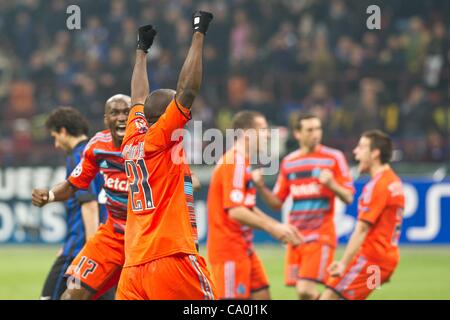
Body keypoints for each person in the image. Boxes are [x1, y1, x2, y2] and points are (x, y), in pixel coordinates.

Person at [116, 11, 216, 300]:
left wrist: (141, 50)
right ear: (164, 117)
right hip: (171, 257)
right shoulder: (162, 137)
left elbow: (137, 97)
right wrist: (199, 33)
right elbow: (188, 90)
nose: (185, 116)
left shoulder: (132, 138)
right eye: (178, 112)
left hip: (133, 266)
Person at [32, 95, 131, 300]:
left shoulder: (150, 144)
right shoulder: (96, 147)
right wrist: (50, 195)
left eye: (126, 112)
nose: (56, 145)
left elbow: (90, 204)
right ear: (106, 119)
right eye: (115, 112)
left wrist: (88, 243)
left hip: (133, 240)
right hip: (109, 239)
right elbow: (72, 186)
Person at [252, 114, 355, 299]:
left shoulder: (334, 158)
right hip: (296, 237)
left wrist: (331, 184)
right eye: (309, 130)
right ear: (297, 133)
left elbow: (348, 197)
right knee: (304, 295)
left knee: (305, 289)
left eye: (318, 129)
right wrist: (260, 187)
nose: (315, 134)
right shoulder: (289, 162)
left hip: (321, 235)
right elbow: (277, 202)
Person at [207, 110, 303, 300]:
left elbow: (246, 206)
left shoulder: (244, 162)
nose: (267, 134)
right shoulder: (234, 161)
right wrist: (271, 228)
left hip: (244, 247)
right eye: (262, 129)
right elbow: (235, 211)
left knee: (263, 297)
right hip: (229, 251)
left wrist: (277, 226)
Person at [321, 130, 405, 300]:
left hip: (371, 259)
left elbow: (362, 229)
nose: (355, 152)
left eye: (361, 147)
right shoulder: (394, 182)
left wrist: (343, 263)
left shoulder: (378, 185)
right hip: (387, 260)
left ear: (375, 153)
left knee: (329, 297)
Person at [33, 107, 107, 300]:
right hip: (92, 244)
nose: (56, 144)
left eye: (55, 136)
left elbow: (89, 204)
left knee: (49, 297)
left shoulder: (79, 156)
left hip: (80, 248)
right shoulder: (97, 151)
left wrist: (91, 251)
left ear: (63, 131)